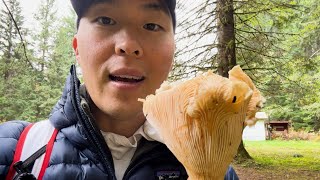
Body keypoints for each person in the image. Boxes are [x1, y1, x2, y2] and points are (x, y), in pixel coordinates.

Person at [0, 0, 239, 179]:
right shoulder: (13, 151)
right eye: (106, 20)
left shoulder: (214, 170)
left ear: (172, 52)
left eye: (151, 25)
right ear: (77, 48)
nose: (128, 45)